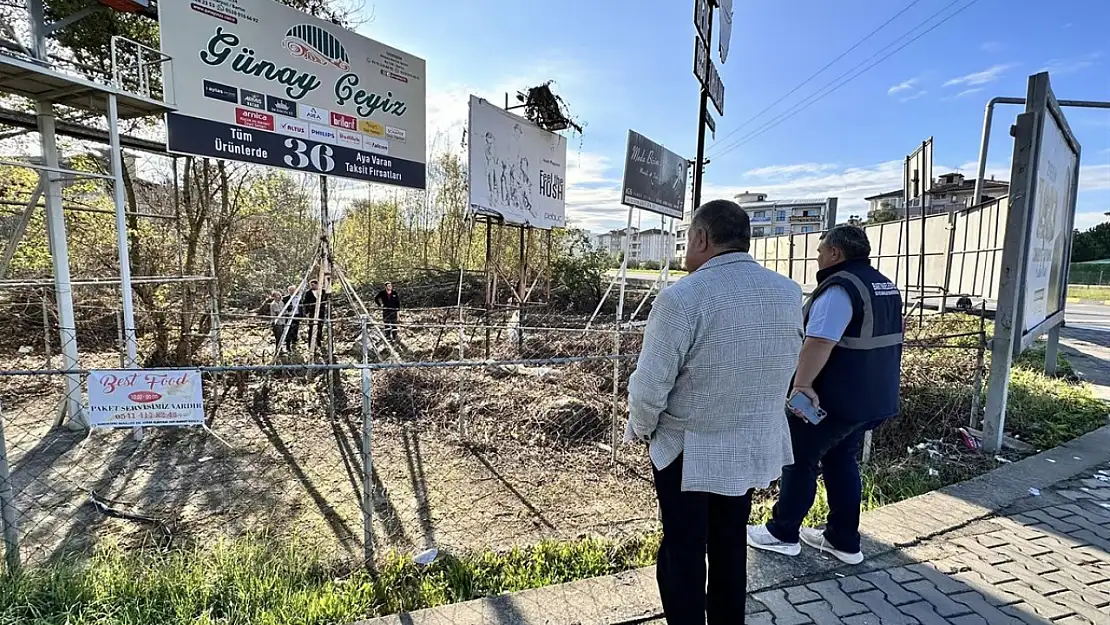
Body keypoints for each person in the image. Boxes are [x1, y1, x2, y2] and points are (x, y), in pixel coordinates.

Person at [626, 199, 803, 625]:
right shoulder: (788, 292)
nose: (687, 249)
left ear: (702, 238)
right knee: (729, 544)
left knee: (683, 549)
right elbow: (786, 360)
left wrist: (642, 430)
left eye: (688, 239)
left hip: (688, 451)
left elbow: (650, 388)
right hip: (749, 445)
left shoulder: (681, 299)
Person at [747, 225, 903, 566]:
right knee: (840, 460)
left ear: (835, 253)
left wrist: (801, 385)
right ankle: (843, 540)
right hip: (872, 397)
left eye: (820, 251)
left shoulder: (840, 288)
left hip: (835, 398)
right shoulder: (882, 284)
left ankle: (782, 533)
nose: (817, 257)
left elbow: (819, 341)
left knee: (799, 458)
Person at [300, 279, 329, 349]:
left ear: (317, 284)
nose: (312, 286)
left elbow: (326, 300)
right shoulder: (308, 293)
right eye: (311, 285)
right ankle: (310, 343)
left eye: (313, 285)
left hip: (321, 312)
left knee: (320, 327)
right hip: (312, 312)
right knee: (311, 327)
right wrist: (308, 310)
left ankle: (318, 342)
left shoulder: (323, 291)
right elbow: (305, 302)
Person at [283, 285, 300, 351]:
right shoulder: (285, 298)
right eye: (290, 290)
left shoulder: (299, 297)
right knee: (288, 330)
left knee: (295, 330)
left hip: (296, 315)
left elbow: (301, 307)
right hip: (288, 315)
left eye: (293, 290)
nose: (292, 291)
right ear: (288, 291)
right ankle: (288, 345)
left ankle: (294, 344)